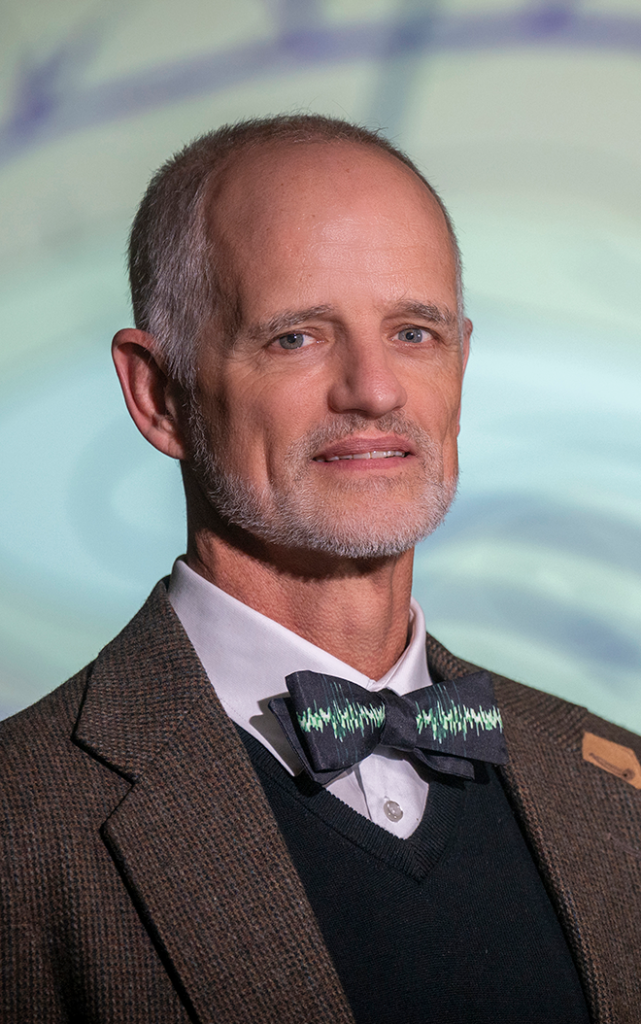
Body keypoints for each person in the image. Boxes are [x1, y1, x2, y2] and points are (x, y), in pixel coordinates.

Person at [1, 115, 640, 1024]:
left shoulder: (613, 790)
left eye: (414, 333)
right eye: (295, 337)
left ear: (462, 362)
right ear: (158, 394)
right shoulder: (20, 827)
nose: (374, 390)